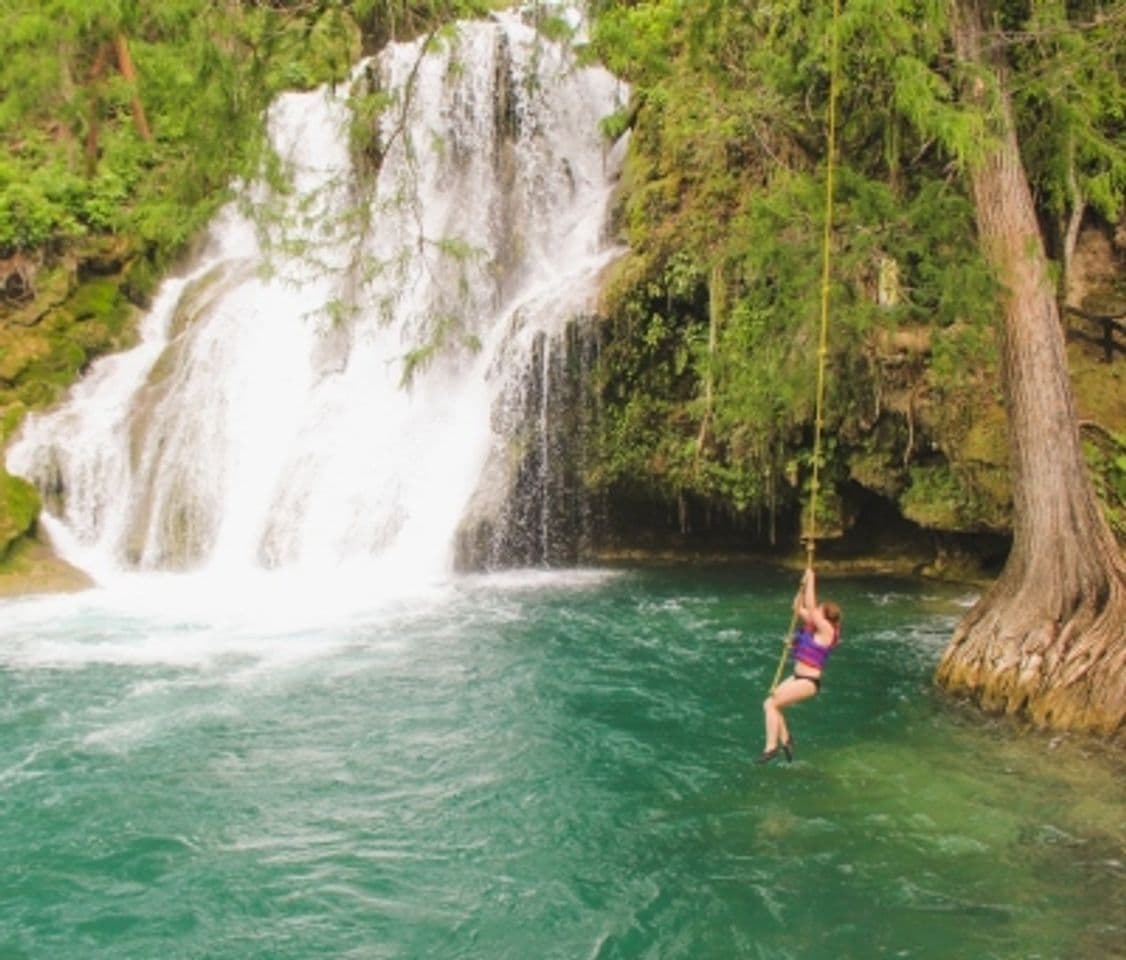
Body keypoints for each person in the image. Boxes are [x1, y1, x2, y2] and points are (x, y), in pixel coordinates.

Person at [756, 564, 841, 764]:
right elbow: (797, 608)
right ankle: (786, 739)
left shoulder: (827, 631)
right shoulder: (813, 626)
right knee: (769, 703)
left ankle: (771, 747)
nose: (816, 612)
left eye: (820, 611)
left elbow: (811, 608)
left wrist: (811, 578)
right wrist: (801, 589)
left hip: (809, 682)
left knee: (774, 705)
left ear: (826, 617)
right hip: (797, 677)